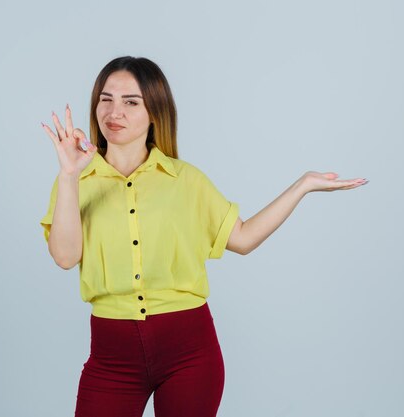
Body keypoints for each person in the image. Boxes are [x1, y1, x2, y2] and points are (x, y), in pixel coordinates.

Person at [39, 56, 367, 417]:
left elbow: (241, 238)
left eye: (131, 102)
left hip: (189, 354)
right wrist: (68, 177)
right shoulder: (75, 181)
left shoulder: (186, 180)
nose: (114, 111)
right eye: (106, 99)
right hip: (111, 357)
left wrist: (302, 186)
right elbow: (66, 257)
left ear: (154, 112)